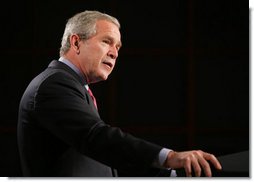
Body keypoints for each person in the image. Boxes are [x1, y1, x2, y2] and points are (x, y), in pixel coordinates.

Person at [17, 10, 222, 177]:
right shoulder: (53, 85)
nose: (115, 52)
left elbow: (104, 156)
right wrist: (168, 157)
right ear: (76, 42)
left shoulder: (75, 87)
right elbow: (96, 137)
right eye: (106, 41)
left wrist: (171, 174)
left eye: (118, 46)